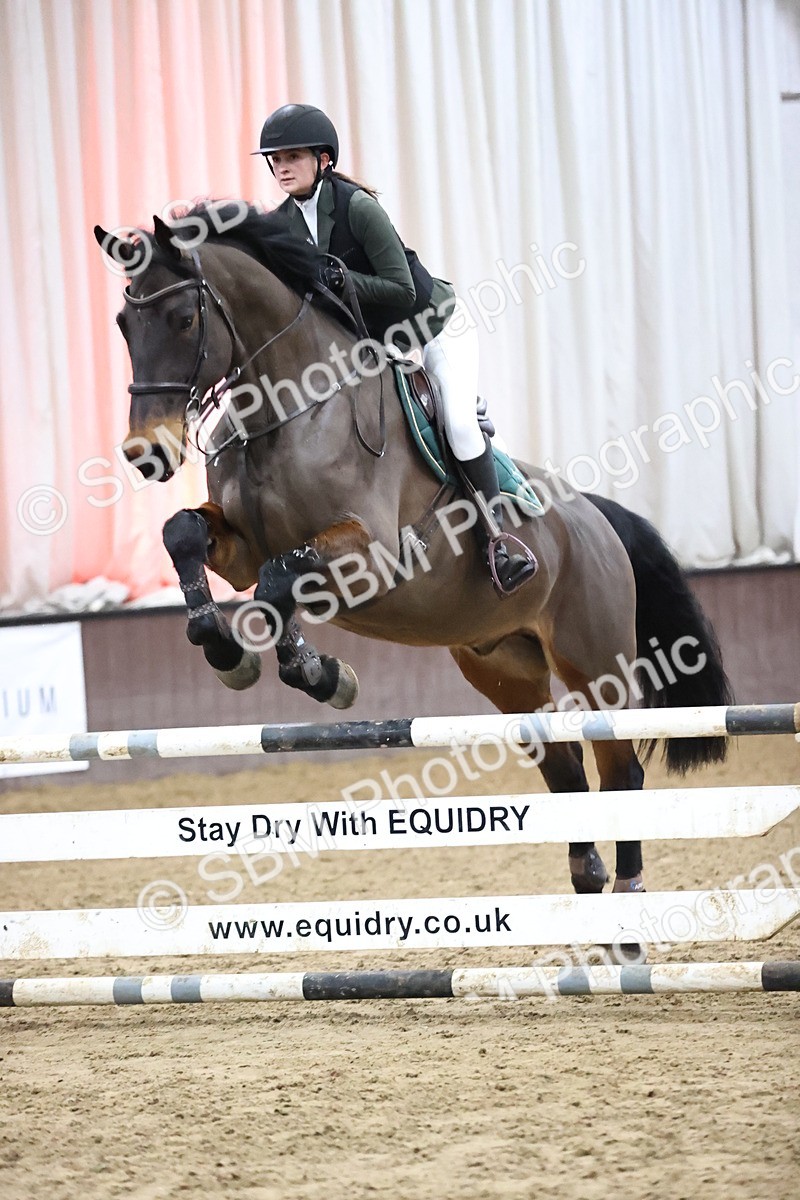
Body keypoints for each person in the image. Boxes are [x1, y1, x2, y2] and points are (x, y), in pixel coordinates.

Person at [253, 103, 536, 595]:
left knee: (459, 425)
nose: (281, 166)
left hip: (432, 328)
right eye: (274, 159)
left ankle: (499, 539)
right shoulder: (280, 225)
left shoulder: (357, 208)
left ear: (323, 160)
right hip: (375, 344)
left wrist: (342, 278)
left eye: (292, 156)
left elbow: (403, 290)